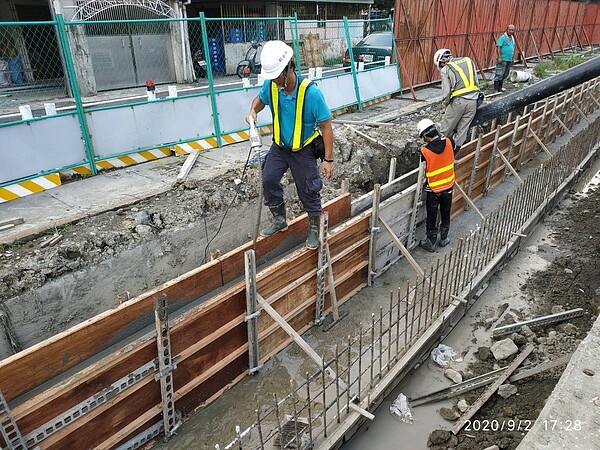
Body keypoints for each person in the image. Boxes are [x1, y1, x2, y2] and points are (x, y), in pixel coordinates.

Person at [246, 40, 334, 250]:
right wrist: (253, 111)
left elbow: (327, 127)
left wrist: (328, 160)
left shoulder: (311, 94)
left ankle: (314, 226)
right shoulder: (271, 85)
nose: (273, 81)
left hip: (303, 150)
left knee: (309, 189)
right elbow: (260, 99)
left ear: (289, 68)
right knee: (268, 179)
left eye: (276, 75)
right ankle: (279, 219)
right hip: (280, 148)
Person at [416, 118, 457, 253]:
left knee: (432, 216)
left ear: (426, 136)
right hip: (449, 186)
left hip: (434, 190)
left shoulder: (425, 151)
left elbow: (423, 168)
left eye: (423, 137)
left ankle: (431, 242)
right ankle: (444, 238)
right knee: (446, 213)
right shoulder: (449, 141)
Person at [434, 48, 480, 155]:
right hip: (474, 100)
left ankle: (439, 154)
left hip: (459, 102)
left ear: (441, 61)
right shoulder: (468, 60)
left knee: (445, 130)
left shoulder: (446, 68)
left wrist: (445, 104)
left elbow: (446, 92)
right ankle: (455, 154)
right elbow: (476, 82)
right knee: (463, 130)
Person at [494, 24, 516, 93]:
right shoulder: (503, 37)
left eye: (512, 30)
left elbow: (513, 48)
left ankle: (500, 88)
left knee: (505, 74)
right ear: (507, 30)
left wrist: (512, 58)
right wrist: (499, 57)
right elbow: (498, 47)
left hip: (509, 59)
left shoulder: (512, 38)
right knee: (499, 74)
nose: (511, 31)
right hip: (503, 59)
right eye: (510, 30)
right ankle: (496, 89)